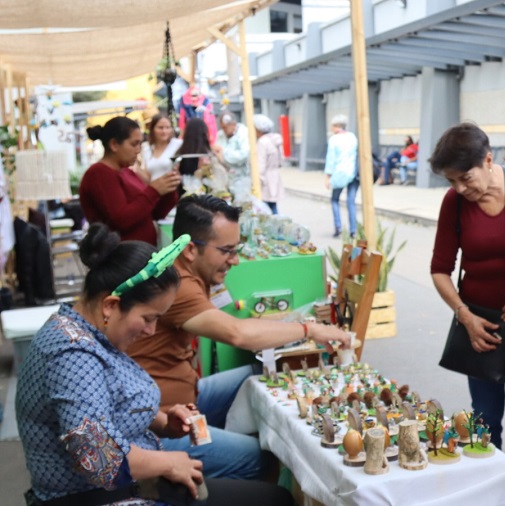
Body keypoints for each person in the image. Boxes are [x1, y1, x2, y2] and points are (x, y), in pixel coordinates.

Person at [16, 223, 293, 506]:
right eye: (148, 318)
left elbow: (106, 405)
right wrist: (167, 463)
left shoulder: (84, 331)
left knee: (273, 495)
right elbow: (99, 458)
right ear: (111, 305)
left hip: (132, 485)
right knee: (274, 498)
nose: (151, 330)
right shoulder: (72, 355)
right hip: (102, 497)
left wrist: (162, 422)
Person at [128, 194, 351, 479]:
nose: (235, 260)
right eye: (226, 250)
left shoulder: (188, 274)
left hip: (190, 396)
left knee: (260, 373)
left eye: (237, 249)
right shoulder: (179, 286)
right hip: (168, 423)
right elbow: (237, 334)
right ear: (190, 250)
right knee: (266, 457)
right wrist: (311, 330)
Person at [429, 123, 505, 506]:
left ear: (488, 159)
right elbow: (439, 269)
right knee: (484, 419)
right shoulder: (455, 204)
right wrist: (464, 316)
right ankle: (491, 493)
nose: (461, 189)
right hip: (480, 324)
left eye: (465, 178)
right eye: (452, 182)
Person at [80, 116, 181, 245]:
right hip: (121, 258)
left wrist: (168, 189)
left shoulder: (126, 171)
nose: (138, 150)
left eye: (140, 143)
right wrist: (153, 191)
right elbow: (121, 220)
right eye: (134, 144)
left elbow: (152, 213)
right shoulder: (99, 173)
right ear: (114, 145)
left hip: (141, 252)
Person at [324, 114, 359, 237]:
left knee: (334, 200)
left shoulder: (334, 139)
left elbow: (331, 160)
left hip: (340, 173)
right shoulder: (352, 137)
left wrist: (328, 176)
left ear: (335, 126)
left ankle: (338, 227)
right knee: (351, 201)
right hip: (354, 173)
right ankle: (353, 230)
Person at [253, 114, 285, 214]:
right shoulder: (276, 139)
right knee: (273, 206)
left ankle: (276, 228)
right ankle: (279, 226)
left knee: (264, 208)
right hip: (275, 176)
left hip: (265, 179)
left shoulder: (262, 142)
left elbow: (260, 165)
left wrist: (257, 182)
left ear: (258, 129)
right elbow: (281, 160)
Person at [214, 113, 250, 199]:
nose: (223, 130)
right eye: (222, 127)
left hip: (241, 176)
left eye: (225, 128)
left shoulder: (243, 133)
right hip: (225, 177)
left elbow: (243, 154)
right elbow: (216, 149)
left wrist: (223, 155)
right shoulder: (221, 134)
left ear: (233, 125)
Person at [140, 113, 183, 182]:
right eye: (160, 128)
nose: (164, 131)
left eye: (167, 127)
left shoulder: (178, 145)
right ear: (152, 129)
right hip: (154, 189)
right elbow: (147, 175)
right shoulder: (146, 148)